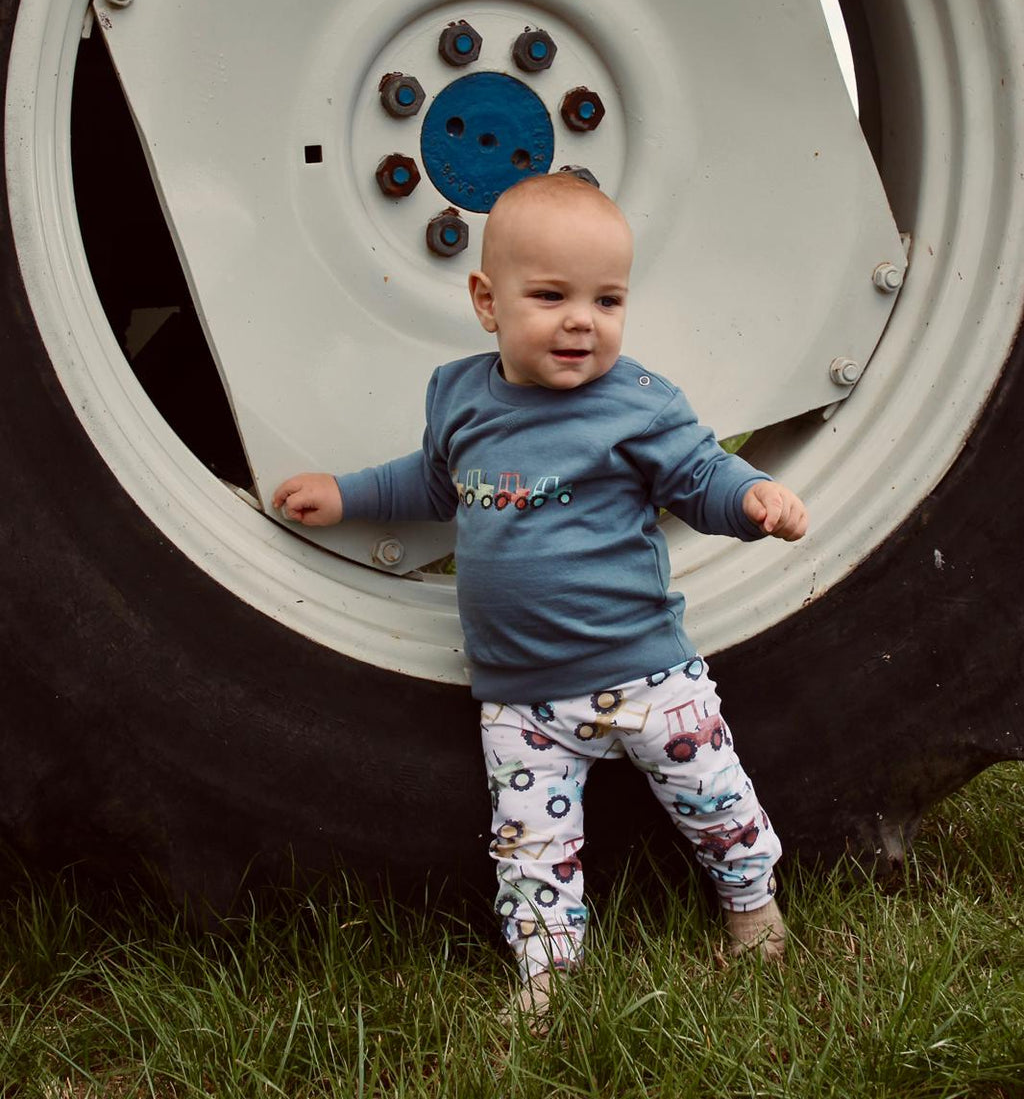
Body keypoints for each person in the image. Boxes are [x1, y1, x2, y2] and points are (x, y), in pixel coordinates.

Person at [273, 172, 807, 1023]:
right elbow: (435, 484)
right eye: (551, 294)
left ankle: (752, 907)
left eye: (607, 299)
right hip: (521, 699)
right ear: (488, 300)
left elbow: (700, 475)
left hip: (649, 678)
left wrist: (752, 501)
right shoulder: (459, 397)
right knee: (529, 849)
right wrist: (346, 496)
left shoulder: (638, 403)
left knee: (718, 800)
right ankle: (547, 970)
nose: (580, 320)